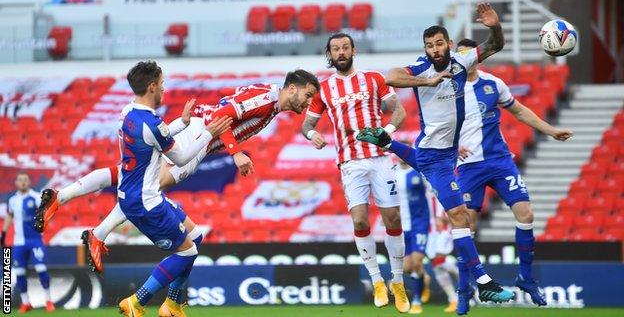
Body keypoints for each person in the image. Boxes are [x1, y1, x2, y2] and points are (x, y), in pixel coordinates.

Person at [34, 70, 320, 275]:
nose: (308, 103)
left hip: (197, 131)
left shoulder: (269, 99)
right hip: (200, 134)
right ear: (292, 88)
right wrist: (236, 154)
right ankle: (97, 232)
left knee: (135, 174)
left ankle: (64, 198)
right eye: (307, 95)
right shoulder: (267, 100)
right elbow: (223, 117)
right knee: (150, 185)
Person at [358, 3, 514, 315]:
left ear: (449, 44)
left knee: (454, 210)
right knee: (460, 216)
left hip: (442, 152)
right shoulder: (422, 67)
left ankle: (388, 141)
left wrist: (494, 26)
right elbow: (392, 76)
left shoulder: (460, 61)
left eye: (439, 43)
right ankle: (484, 282)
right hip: (436, 155)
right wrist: (425, 81)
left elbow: (494, 45)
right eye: (429, 45)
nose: (434, 49)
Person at [454, 38, 573, 306]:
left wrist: (551, 130)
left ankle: (526, 278)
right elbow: (436, 125)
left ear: (478, 57)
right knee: (465, 226)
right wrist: (452, 147)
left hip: (499, 161)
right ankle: (464, 288)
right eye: (461, 55)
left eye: (470, 54)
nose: (467, 59)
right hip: (469, 166)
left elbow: (519, 111)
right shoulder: (450, 89)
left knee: (526, 213)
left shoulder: (493, 84)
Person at [301, 33, 410, 313]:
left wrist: (386, 133)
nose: (341, 52)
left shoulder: (374, 78)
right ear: (330, 53)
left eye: (345, 47)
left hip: (380, 158)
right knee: (360, 222)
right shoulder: (324, 89)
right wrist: (313, 134)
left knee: (393, 217)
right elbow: (306, 124)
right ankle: (376, 279)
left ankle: (397, 281)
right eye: (336, 48)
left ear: (353, 50)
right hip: (350, 163)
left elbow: (398, 113)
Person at [1, 171, 55, 313]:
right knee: (19, 272)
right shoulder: (12, 200)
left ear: (29, 182)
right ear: (16, 183)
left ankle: (48, 300)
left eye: (25, 180)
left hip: (35, 240)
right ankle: (25, 303)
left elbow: (46, 212)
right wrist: (4, 233)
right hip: (19, 242)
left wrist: (43, 222)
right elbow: (9, 216)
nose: (23, 182)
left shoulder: (36, 197)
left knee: (41, 269)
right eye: (20, 180)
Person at [394, 145, 431, 314]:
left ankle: (416, 301)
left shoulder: (419, 170)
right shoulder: (392, 172)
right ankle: (425, 279)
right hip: (402, 225)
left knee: (417, 262)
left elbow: (433, 192)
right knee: (408, 268)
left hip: (419, 223)